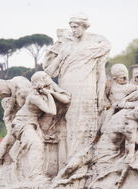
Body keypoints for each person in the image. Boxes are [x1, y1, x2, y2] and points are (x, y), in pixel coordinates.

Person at [43, 13, 111, 159]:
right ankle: (71, 161)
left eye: (75, 27)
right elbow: (50, 70)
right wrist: (54, 48)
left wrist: (101, 98)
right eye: (71, 27)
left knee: (86, 123)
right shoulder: (66, 48)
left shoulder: (93, 47)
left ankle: (81, 160)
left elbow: (107, 46)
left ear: (84, 27)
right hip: (67, 89)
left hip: (86, 89)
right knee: (69, 125)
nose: (73, 30)